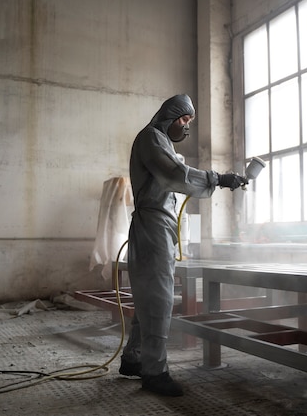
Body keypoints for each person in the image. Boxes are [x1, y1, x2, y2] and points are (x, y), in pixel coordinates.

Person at [119, 94, 246, 396]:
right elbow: (177, 175)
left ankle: (134, 359)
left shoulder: (162, 142)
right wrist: (219, 178)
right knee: (160, 299)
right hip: (153, 226)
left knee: (149, 298)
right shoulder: (151, 138)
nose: (187, 127)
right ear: (171, 116)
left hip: (156, 226)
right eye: (185, 120)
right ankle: (155, 372)